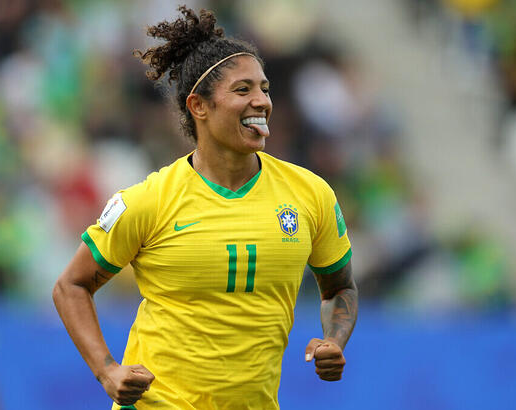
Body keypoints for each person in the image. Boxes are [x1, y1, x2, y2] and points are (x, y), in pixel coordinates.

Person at [52, 6, 357, 409]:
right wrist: (108, 370)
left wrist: (333, 340)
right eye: (243, 90)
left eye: (265, 89)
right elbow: (70, 286)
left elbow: (339, 288)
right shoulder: (149, 200)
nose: (262, 102)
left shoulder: (309, 194)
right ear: (199, 106)